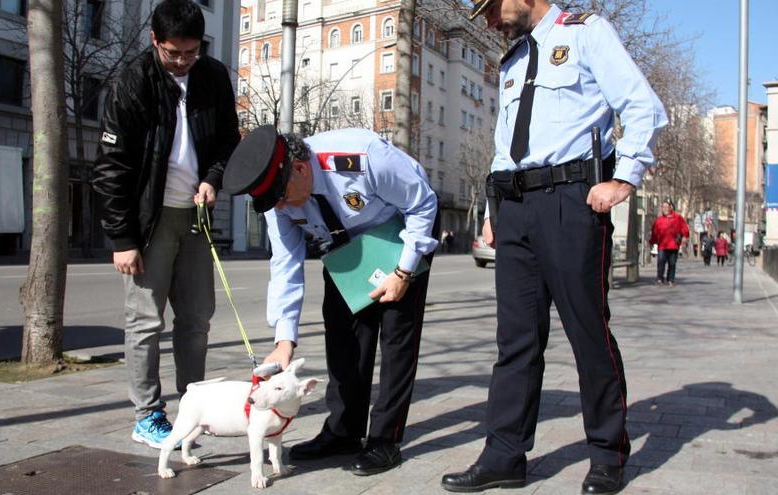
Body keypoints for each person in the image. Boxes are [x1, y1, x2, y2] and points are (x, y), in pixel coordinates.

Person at [442, 1, 667, 494]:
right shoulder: (514, 59)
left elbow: (642, 105)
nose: (489, 20)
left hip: (572, 200)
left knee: (587, 331)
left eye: (492, 6)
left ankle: (607, 454)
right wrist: (492, 212)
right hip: (515, 207)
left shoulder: (586, 33)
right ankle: (504, 455)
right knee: (516, 340)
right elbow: (506, 144)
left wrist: (623, 179)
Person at [221, 125, 439, 476]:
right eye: (272, 202)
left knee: (397, 335)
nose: (279, 207)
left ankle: (385, 439)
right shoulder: (278, 197)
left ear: (301, 169)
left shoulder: (363, 157)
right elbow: (285, 263)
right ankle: (343, 432)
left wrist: (403, 273)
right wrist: (284, 340)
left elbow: (422, 203)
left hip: (401, 228)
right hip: (342, 243)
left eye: (281, 197)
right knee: (343, 336)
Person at [91, 0, 240, 449]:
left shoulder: (213, 77)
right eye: (173, 53)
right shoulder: (131, 82)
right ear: (154, 41)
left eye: (191, 53)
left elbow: (227, 141)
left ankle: (194, 405)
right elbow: (112, 166)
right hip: (147, 220)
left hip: (195, 217)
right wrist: (122, 237)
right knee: (145, 322)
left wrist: (214, 179)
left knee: (196, 319)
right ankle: (148, 415)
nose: (182, 62)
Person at [649, 200, 689, 287]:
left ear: (671, 207)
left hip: (674, 245)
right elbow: (654, 232)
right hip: (662, 245)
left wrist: (685, 236)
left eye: (666, 207)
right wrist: (652, 242)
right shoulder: (659, 220)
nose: (665, 209)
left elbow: (684, 227)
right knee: (661, 261)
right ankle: (660, 278)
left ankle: (670, 279)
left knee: (672, 263)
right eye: (663, 207)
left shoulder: (678, 218)